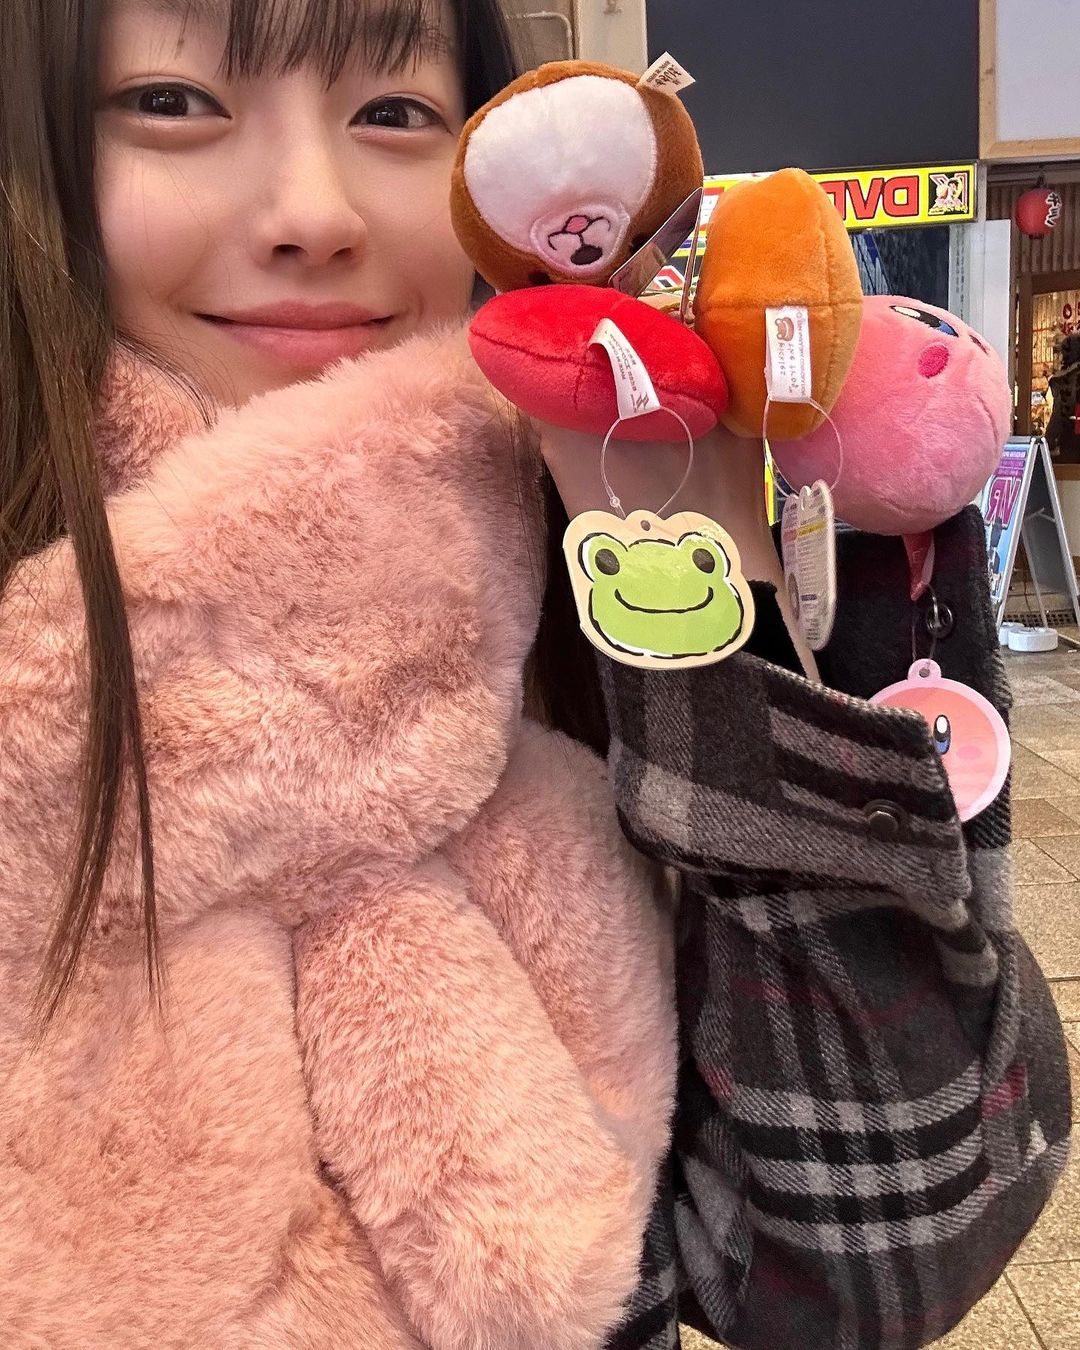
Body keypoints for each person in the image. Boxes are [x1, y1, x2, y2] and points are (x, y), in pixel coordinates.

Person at [0, 3, 1070, 1350]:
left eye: (395, 112)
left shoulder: (580, 551)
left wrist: (716, 620)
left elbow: (876, 1252)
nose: (313, 213)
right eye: (173, 103)